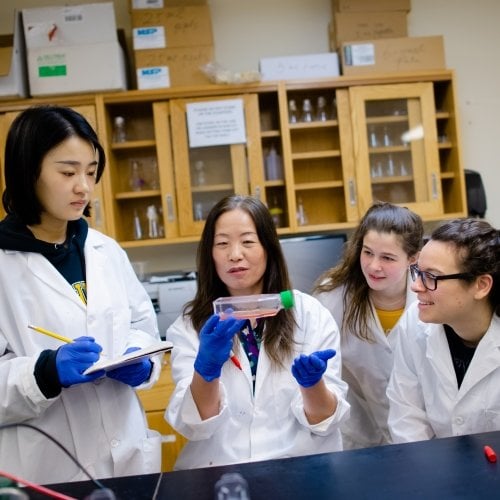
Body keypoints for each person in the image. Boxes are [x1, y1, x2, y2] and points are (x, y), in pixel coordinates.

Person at [0, 105, 163, 484]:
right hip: (47, 469)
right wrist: (44, 372)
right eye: (68, 172)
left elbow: (142, 325)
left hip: (128, 459)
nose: (84, 187)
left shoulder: (105, 251)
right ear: (28, 172)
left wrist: (140, 359)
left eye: (91, 172)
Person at [165, 194, 349, 469]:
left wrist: (313, 386)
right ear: (209, 254)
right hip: (220, 472)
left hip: (297, 470)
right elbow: (195, 425)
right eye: (222, 243)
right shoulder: (190, 327)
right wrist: (207, 369)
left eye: (248, 241)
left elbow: (325, 422)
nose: (235, 254)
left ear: (268, 248)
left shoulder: (309, 314)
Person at [313, 202, 423, 449]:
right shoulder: (334, 298)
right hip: (358, 436)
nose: (374, 266)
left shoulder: (429, 298)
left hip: (422, 434)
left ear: (413, 258)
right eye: (368, 252)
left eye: (388, 258)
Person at [387, 218, 500, 442]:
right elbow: (407, 418)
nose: (416, 286)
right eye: (417, 272)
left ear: (481, 285)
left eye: (431, 276)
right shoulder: (415, 322)